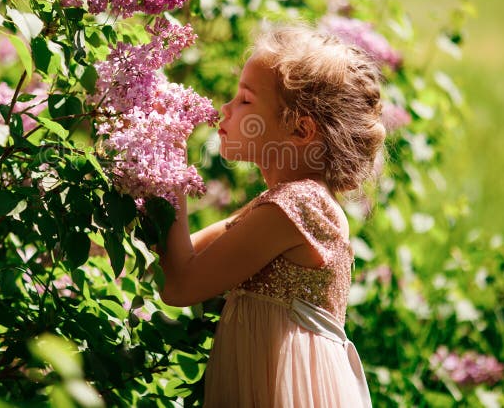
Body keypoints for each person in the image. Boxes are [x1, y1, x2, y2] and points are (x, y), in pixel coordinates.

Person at [158, 22, 385, 407]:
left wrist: (168, 161)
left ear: (299, 128)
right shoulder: (282, 201)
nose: (225, 109)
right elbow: (181, 257)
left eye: (245, 100)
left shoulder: (297, 206)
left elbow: (180, 284)